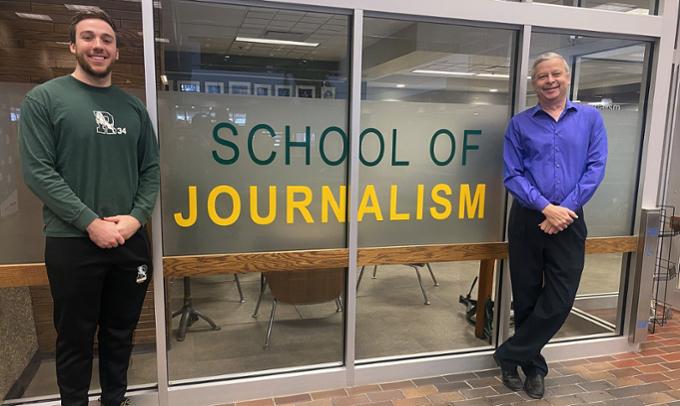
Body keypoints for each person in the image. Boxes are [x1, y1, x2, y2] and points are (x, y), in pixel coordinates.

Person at [18, 10, 160, 406]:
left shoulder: (132, 109)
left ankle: (115, 399)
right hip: (72, 241)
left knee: (120, 331)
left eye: (106, 39)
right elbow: (38, 172)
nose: (98, 45)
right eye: (88, 37)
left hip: (129, 239)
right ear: (72, 46)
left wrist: (135, 218)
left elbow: (150, 171)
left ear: (115, 51)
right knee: (75, 336)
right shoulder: (44, 100)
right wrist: (90, 223)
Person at [494, 52, 607, 399]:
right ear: (534, 82)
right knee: (526, 295)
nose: (549, 81)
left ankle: (508, 354)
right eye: (542, 76)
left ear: (567, 77)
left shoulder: (590, 119)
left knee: (560, 299)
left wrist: (564, 210)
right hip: (528, 219)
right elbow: (511, 173)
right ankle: (533, 368)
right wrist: (545, 207)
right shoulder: (520, 123)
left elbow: (596, 166)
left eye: (555, 73)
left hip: (569, 220)